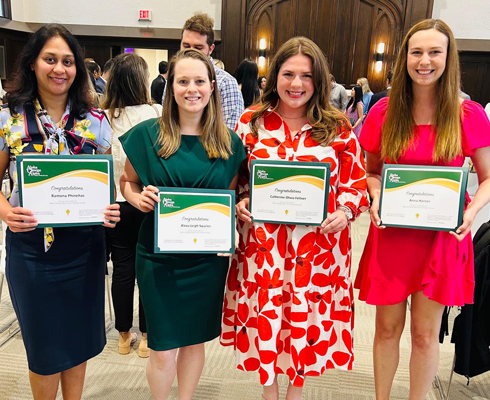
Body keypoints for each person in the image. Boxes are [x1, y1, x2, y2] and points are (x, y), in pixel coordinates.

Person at [220, 36, 369, 400]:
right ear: (275, 76)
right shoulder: (250, 123)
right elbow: (235, 183)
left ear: (319, 81)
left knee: (306, 315)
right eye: (288, 74)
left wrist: (345, 211)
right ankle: (269, 390)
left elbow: (357, 185)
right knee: (267, 313)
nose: (297, 84)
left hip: (317, 251)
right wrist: (239, 203)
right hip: (265, 250)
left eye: (306, 75)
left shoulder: (337, 128)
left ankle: (296, 390)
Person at [354, 19, 490, 400]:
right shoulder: (384, 111)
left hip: (442, 236)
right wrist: (376, 195)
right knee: (385, 330)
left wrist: (471, 211)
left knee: (425, 334)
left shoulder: (468, 114)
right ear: (405, 57)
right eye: (417, 52)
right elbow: (371, 171)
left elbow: (488, 178)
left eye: (434, 52)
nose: (425, 61)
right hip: (394, 236)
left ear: (449, 58)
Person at [1, 24, 120, 399]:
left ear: (78, 69)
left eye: (68, 61)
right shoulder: (10, 118)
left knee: (79, 339)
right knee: (45, 346)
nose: (60, 69)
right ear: (33, 63)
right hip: (32, 249)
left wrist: (111, 209)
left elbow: (107, 185)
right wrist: (5, 211)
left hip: (83, 249)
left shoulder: (96, 121)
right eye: (50, 59)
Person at [119, 49, 246, 400]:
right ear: (170, 87)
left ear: (212, 88)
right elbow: (126, 182)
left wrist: (239, 212)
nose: (192, 89)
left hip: (207, 260)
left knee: (194, 340)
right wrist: (136, 198)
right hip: (158, 259)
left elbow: (233, 197)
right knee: (161, 347)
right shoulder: (147, 135)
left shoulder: (230, 143)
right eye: (183, 81)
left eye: (200, 81)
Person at [103, 53, 163, 358]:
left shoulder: (103, 118)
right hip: (149, 201)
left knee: (123, 270)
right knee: (149, 271)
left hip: (115, 202)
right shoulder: (156, 112)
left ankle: (124, 334)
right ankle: (147, 336)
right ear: (142, 80)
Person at [179, 12, 244, 130]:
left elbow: (230, 134)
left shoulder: (226, 83)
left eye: (198, 48)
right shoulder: (174, 79)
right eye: (186, 46)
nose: (191, 52)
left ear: (211, 49)